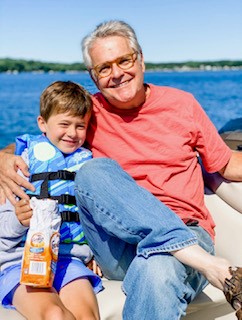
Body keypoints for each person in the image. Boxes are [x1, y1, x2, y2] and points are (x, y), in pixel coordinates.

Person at [0, 20, 242, 319]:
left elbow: (227, 164)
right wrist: (4, 156)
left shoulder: (183, 105)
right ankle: (213, 265)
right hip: (115, 246)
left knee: (157, 270)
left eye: (123, 60)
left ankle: (186, 252)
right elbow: (43, 142)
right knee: (93, 171)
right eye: (104, 68)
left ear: (140, 59)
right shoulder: (88, 114)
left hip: (187, 228)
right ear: (94, 76)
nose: (116, 74)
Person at [0, 81, 102, 320]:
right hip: (21, 260)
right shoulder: (20, 166)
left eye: (80, 126)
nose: (72, 133)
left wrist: (97, 253)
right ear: (42, 124)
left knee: (87, 316)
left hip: (70, 260)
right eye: (64, 124)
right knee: (55, 315)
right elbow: (3, 230)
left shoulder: (87, 165)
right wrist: (19, 220)